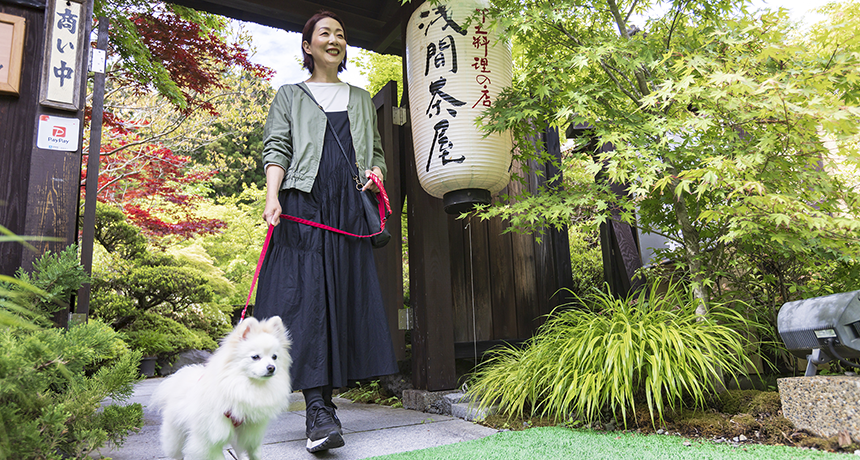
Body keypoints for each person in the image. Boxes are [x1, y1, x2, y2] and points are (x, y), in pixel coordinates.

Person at [254, 10, 398, 454]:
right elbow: (277, 146)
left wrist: (375, 174)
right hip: (304, 203)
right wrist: (272, 196)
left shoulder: (359, 97)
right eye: (324, 33)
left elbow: (375, 153)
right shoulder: (290, 95)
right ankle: (318, 409)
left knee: (341, 300)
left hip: (347, 209)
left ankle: (325, 407)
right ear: (307, 45)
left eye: (339, 34)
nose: (333, 40)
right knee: (305, 300)